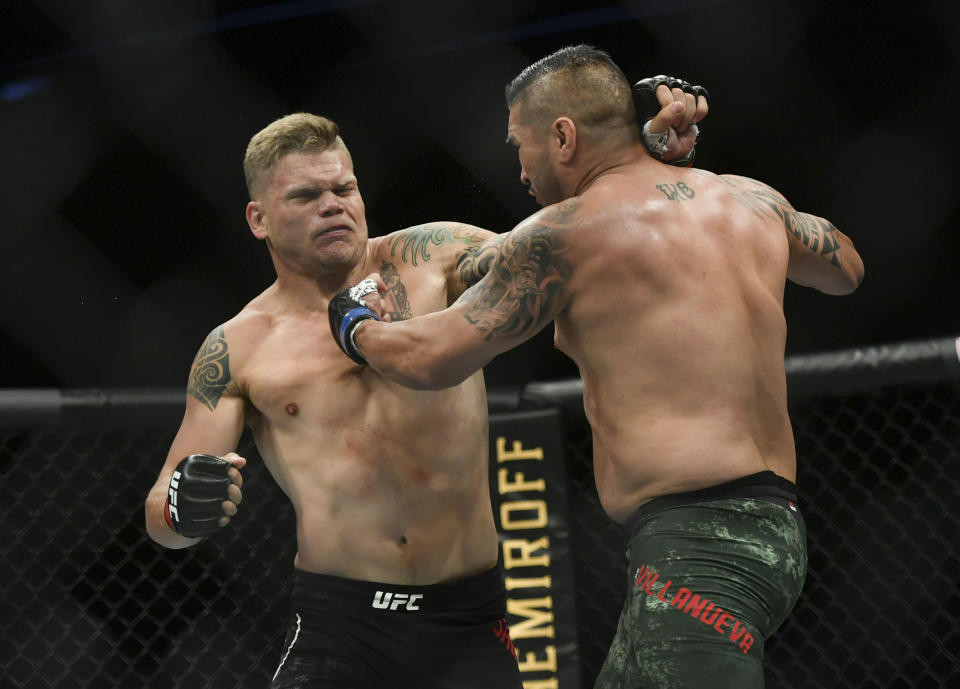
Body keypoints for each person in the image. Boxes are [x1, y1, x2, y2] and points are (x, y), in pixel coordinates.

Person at [144, 77, 705, 688]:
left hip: (470, 621)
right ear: (259, 219)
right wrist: (182, 508)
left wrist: (631, 166)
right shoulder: (239, 345)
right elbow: (160, 515)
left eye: (345, 188)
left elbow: (563, 252)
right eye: (307, 196)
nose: (334, 205)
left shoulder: (434, 258)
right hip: (339, 628)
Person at [333, 44, 864, 688]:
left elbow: (432, 357)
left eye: (519, 145)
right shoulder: (747, 200)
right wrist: (680, 168)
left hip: (699, 548)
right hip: (762, 531)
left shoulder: (567, 233)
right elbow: (846, 270)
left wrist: (353, 323)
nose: (520, 170)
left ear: (562, 137)